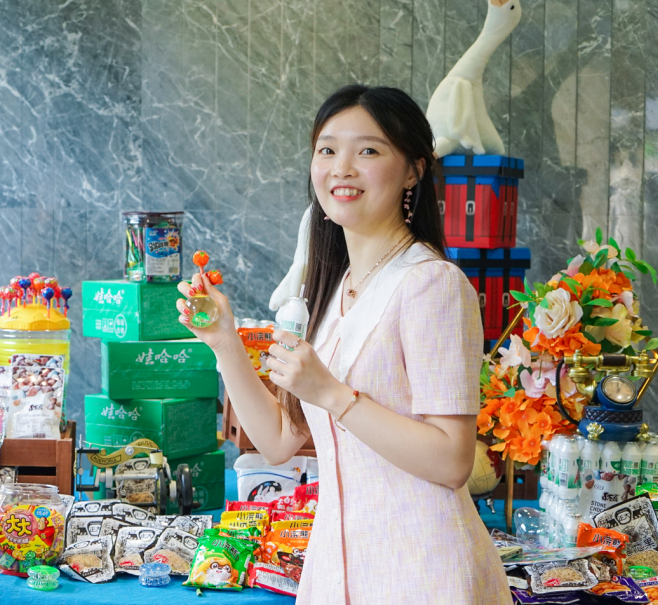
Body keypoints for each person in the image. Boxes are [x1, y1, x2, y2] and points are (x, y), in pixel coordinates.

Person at [177, 84, 511, 604]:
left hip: (423, 572)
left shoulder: (432, 284)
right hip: (340, 569)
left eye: (368, 151)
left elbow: (452, 461)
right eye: (327, 150)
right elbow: (279, 440)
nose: (342, 168)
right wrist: (224, 343)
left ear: (414, 170)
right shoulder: (336, 289)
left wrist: (333, 395)